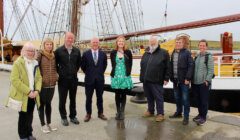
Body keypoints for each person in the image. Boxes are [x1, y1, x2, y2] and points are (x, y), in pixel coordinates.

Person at [8, 42, 42, 140]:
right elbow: (14, 80)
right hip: (23, 95)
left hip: (33, 94)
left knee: (30, 115)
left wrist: (37, 90)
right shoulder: (18, 63)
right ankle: (23, 136)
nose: (31, 53)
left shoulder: (35, 63)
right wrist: (28, 92)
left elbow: (39, 78)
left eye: (32, 51)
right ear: (23, 51)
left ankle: (29, 133)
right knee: (23, 117)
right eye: (28, 51)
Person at [140, 35, 170, 122]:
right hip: (146, 79)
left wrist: (166, 78)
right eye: (151, 41)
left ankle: (160, 114)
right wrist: (142, 76)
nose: (152, 43)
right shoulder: (146, 52)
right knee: (149, 97)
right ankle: (150, 111)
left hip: (157, 79)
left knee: (158, 97)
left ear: (157, 42)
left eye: (154, 41)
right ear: (149, 42)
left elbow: (168, 67)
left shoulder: (164, 53)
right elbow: (143, 65)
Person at [55, 32, 81, 126]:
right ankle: (63, 117)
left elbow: (78, 64)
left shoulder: (77, 51)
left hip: (73, 79)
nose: (70, 40)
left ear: (73, 39)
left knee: (73, 99)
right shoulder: (58, 51)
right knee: (62, 99)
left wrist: (74, 71)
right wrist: (61, 72)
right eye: (68, 38)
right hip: (63, 80)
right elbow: (55, 64)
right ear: (65, 38)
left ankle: (73, 116)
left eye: (71, 38)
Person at [81, 37, 108, 122]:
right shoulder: (85, 54)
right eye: (93, 42)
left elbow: (104, 65)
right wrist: (90, 74)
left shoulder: (103, 54)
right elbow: (83, 67)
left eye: (96, 42)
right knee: (88, 98)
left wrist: (98, 73)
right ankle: (88, 114)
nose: (95, 44)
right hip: (89, 79)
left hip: (100, 79)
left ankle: (100, 113)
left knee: (100, 97)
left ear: (98, 43)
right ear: (90, 43)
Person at [169, 34, 194, 125]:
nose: (178, 44)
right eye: (177, 42)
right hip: (175, 81)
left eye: (179, 42)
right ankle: (178, 113)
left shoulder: (186, 53)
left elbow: (191, 66)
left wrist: (188, 78)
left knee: (185, 99)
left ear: (183, 44)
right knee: (177, 98)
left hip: (184, 81)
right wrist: (171, 77)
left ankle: (186, 117)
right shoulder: (173, 53)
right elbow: (171, 65)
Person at [37, 38, 58, 133]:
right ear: (44, 45)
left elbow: (55, 68)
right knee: (41, 105)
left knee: (49, 104)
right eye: (47, 44)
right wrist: (39, 79)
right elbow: (36, 68)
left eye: (50, 44)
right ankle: (42, 124)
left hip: (52, 84)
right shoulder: (40, 54)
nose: (49, 46)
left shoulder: (53, 55)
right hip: (43, 84)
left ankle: (49, 123)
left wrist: (56, 77)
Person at [110, 36, 133, 120]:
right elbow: (113, 64)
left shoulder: (128, 52)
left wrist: (127, 74)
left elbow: (130, 64)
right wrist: (115, 74)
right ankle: (118, 112)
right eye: (119, 41)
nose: (120, 43)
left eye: (122, 41)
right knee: (117, 94)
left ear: (124, 43)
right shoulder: (113, 53)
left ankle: (122, 112)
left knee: (123, 94)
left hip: (124, 76)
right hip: (116, 76)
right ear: (117, 43)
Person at [192, 39, 214, 125]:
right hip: (195, 83)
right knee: (198, 100)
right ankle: (200, 114)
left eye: (203, 46)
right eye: (200, 45)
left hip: (203, 83)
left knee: (204, 101)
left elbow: (211, 70)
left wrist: (207, 80)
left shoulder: (208, 57)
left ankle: (203, 117)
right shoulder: (197, 57)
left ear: (206, 47)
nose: (202, 47)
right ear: (198, 46)